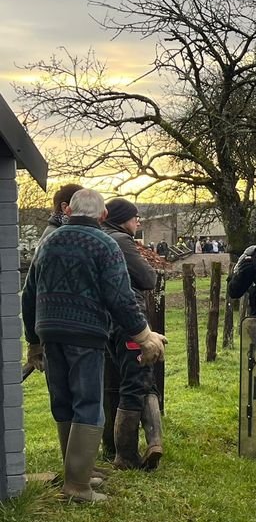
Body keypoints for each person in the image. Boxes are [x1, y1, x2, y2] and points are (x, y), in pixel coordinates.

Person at [22, 189, 166, 502]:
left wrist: (33, 341)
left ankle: (76, 474)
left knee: (62, 402)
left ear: (69, 211)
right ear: (102, 216)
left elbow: (28, 292)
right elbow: (119, 297)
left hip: (49, 331)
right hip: (85, 334)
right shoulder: (103, 243)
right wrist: (143, 335)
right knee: (88, 403)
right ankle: (77, 488)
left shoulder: (49, 241)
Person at [102, 198, 164, 470]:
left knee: (122, 381)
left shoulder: (99, 238)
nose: (138, 221)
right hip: (129, 320)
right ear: (121, 218)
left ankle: (151, 443)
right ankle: (125, 455)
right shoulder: (121, 241)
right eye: (135, 217)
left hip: (104, 322)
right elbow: (148, 278)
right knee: (137, 380)